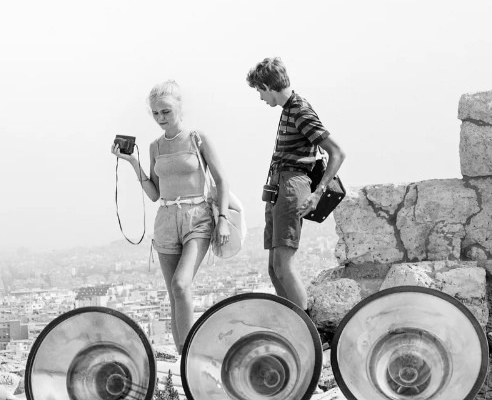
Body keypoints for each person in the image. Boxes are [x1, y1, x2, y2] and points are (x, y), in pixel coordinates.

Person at [112, 80, 233, 354]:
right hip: (166, 219)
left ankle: (190, 351)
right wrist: (133, 164)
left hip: (198, 217)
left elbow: (222, 180)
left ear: (180, 108)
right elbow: (154, 193)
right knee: (173, 295)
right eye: (155, 113)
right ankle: (183, 356)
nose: (160, 118)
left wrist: (223, 218)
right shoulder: (155, 146)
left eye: (165, 111)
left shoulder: (196, 138)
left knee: (181, 284)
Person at [247, 57, 345, 311]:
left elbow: (336, 152)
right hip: (279, 186)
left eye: (259, 90)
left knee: (284, 265)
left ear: (268, 86)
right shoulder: (288, 109)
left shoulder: (299, 109)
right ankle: (292, 326)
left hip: (292, 185)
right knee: (273, 268)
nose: (260, 98)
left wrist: (317, 193)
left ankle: (308, 331)